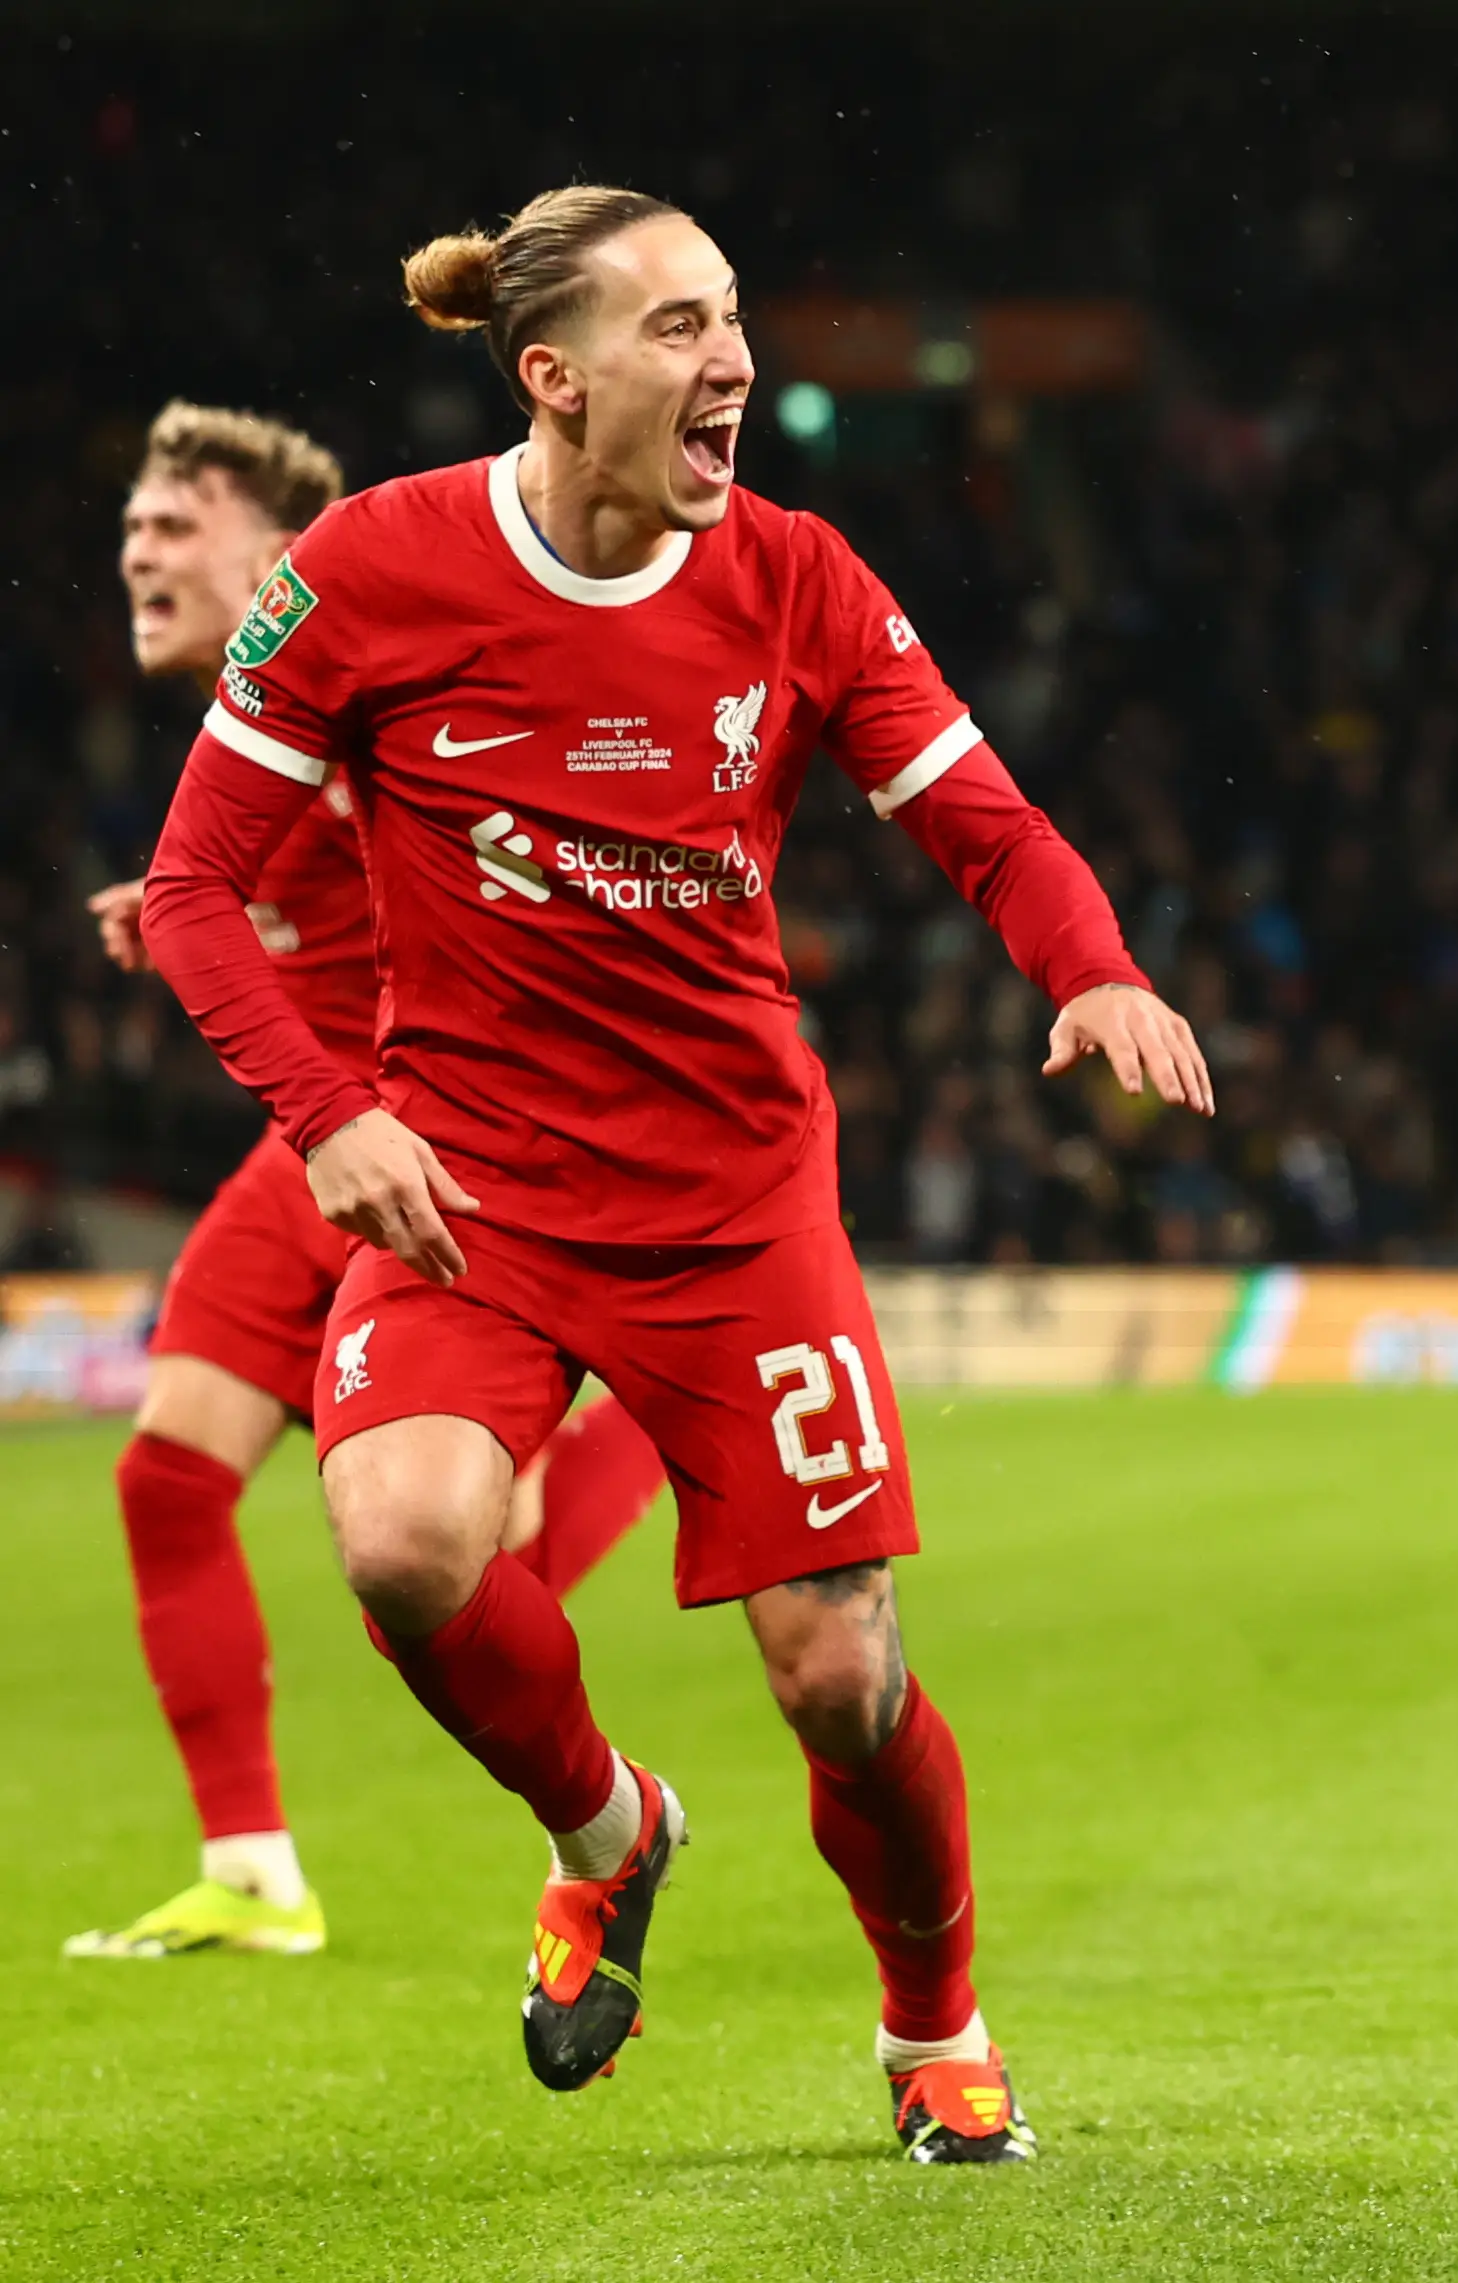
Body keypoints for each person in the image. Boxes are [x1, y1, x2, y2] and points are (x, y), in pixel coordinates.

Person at [142, 186, 1213, 2163]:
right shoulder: (374, 568)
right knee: (396, 1542)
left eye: (731, 321)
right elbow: (195, 886)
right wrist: (329, 1109)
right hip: (466, 1188)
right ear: (552, 377)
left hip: (731, 1205)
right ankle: (607, 1832)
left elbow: (984, 822)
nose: (730, 362)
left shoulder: (796, 579)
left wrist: (1098, 970)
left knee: (840, 1676)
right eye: (680, 329)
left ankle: (931, 2028)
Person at [70, 404, 670, 1965]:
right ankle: (254, 1867)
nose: (137, 547)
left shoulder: (352, 673)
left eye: (174, 523)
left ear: (275, 555)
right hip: (318, 1146)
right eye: (132, 522)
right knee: (169, 1475)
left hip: (428, 1140)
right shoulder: (251, 723)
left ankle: (660, 1415)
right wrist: (182, 893)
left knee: (469, 1572)